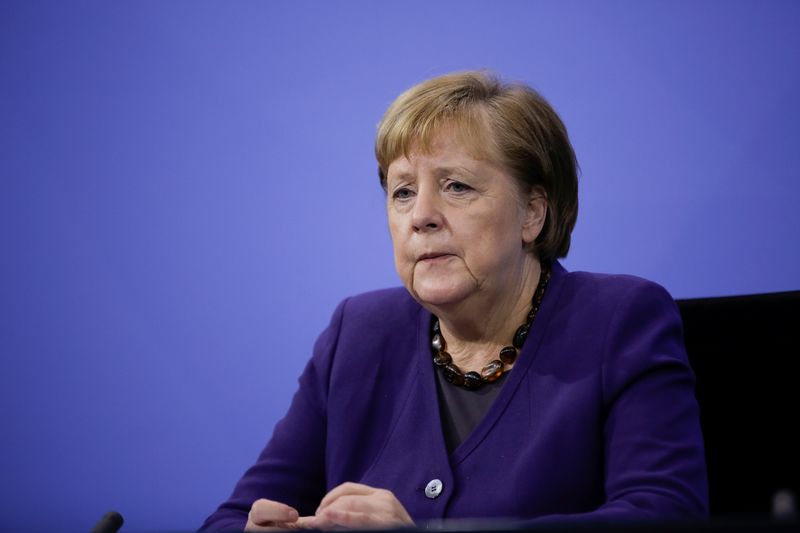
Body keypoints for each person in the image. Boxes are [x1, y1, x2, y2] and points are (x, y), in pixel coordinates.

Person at [200, 71, 708, 531]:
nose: (421, 215)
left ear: (532, 214)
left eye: (456, 186)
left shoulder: (619, 320)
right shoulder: (357, 333)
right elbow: (232, 518)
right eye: (402, 192)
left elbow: (665, 512)